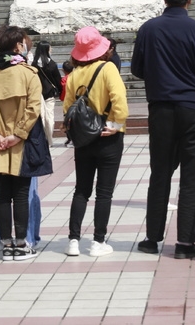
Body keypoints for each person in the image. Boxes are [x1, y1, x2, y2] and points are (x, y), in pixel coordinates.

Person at [131, 0, 195, 259]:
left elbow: (138, 69)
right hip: (192, 107)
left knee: (161, 173)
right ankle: (185, 243)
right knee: (192, 176)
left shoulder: (148, 29)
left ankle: (152, 239)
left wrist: (160, 80)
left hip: (161, 108)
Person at [0, 25, 43, 261]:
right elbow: (34, 109)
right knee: (21, 194)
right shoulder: (28, 74)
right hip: (21, 143)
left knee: (2, 195)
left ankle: (5, 244)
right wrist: (17, 134)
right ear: (17, 46)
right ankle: (22, 244)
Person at [63, 26, 128, 258]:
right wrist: (116, 124)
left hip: (83, 138)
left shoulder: (74, 74)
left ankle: (73, 240)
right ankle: (98, 241)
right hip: (107, 136)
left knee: (81, 190)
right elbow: (119, 99)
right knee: (104, 192)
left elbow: (67, 107)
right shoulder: (108, 68)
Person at [32, 40, 62, 146]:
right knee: (50, 116)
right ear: (46, 49)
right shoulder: (52, 64)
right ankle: (50, 140)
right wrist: (60, 91)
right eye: (50, 48)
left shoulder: (34, 64)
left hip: (38, 93)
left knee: (42, 116)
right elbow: (58, 80)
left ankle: (44, 139)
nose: (51, 49)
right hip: (49, 93)